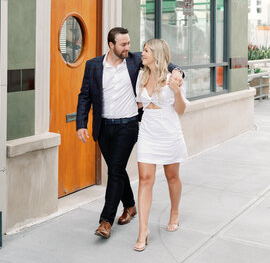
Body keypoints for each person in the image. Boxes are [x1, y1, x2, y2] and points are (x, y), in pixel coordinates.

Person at [76, 27, 182, 239]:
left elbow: (162, 61)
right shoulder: (93, 66)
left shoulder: (135, 61)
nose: (128, 48)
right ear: (111, 45)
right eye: (123, 44)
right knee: (118, 169)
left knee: (114, 171)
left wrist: (178, 71)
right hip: (104, 127)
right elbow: (84, 95)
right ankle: (131, 206)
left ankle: (105, 221)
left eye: (129, 43)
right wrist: (81, 123)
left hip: (128, 125)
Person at [133, 38, 188, 252]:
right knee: (145, 179)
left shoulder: (174, 79)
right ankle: (143, 230)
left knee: (171, 177)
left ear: (156, 54)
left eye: (146, 50)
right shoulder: (141, 75)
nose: (142, 54)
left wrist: (175, 91)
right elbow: (140, 102)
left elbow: (181, 110)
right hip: (148, 129)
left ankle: (174, 211)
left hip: (169, 131)